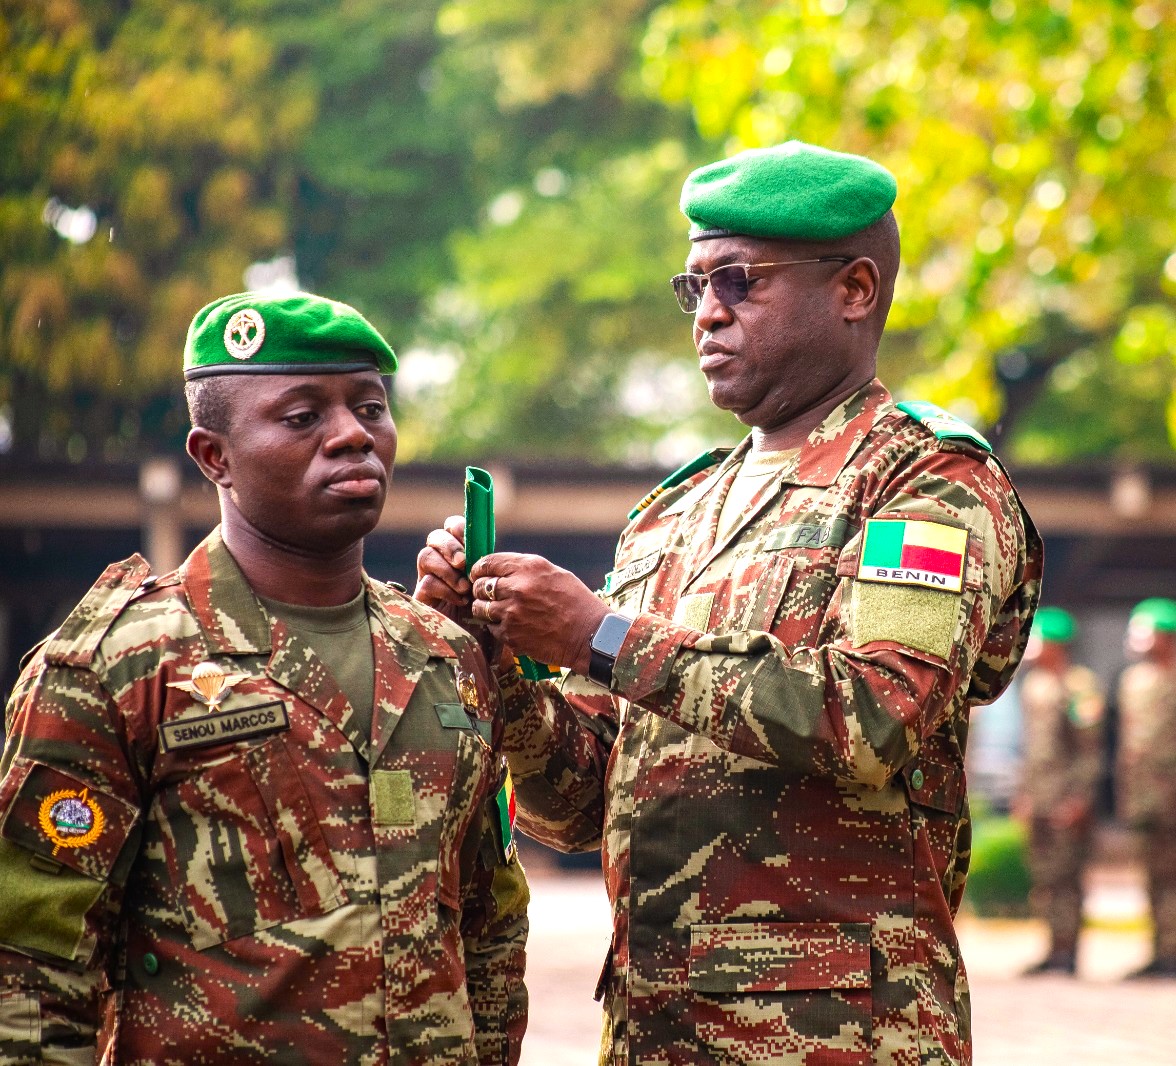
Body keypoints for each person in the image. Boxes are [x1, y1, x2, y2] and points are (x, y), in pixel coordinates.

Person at [417, 140, 1042, 1063]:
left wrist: (597, 633)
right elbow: (576, 807)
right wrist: (505, 663)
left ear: (855, 290)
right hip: (653, 1028)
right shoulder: (673, 513)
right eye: (694, 285)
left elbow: (873, 715)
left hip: (836, 1037)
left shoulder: (924, 479)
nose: (707, 313)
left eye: (740, 281)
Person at [0, 292, 529, 1063]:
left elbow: (490, 926)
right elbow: (33, 973)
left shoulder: (446, 657)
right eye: (303, 416)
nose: (353, 435)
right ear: (214, 456)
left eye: (371, 408)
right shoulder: (116, 665)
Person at [1013, 607, 1104, 976]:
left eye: (1038, 640)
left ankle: (1068, 953)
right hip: (1039, 798)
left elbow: (1089, 751)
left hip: (1066, 799)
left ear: (1056, 644)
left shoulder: (1078, 686)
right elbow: (1030, 750)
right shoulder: (1033, 687)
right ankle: (1052, 949)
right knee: (1045, 877)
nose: (1031, 647)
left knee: (1068, 877)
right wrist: (1024, 794)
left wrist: (1080, 798)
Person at [1116, 596, 1176, 979]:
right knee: (1154, 877)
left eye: (1147, 632)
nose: (1138, 640)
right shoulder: (1133, 681)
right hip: (1144, 799)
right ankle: (1162, 951)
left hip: (1172, 797)